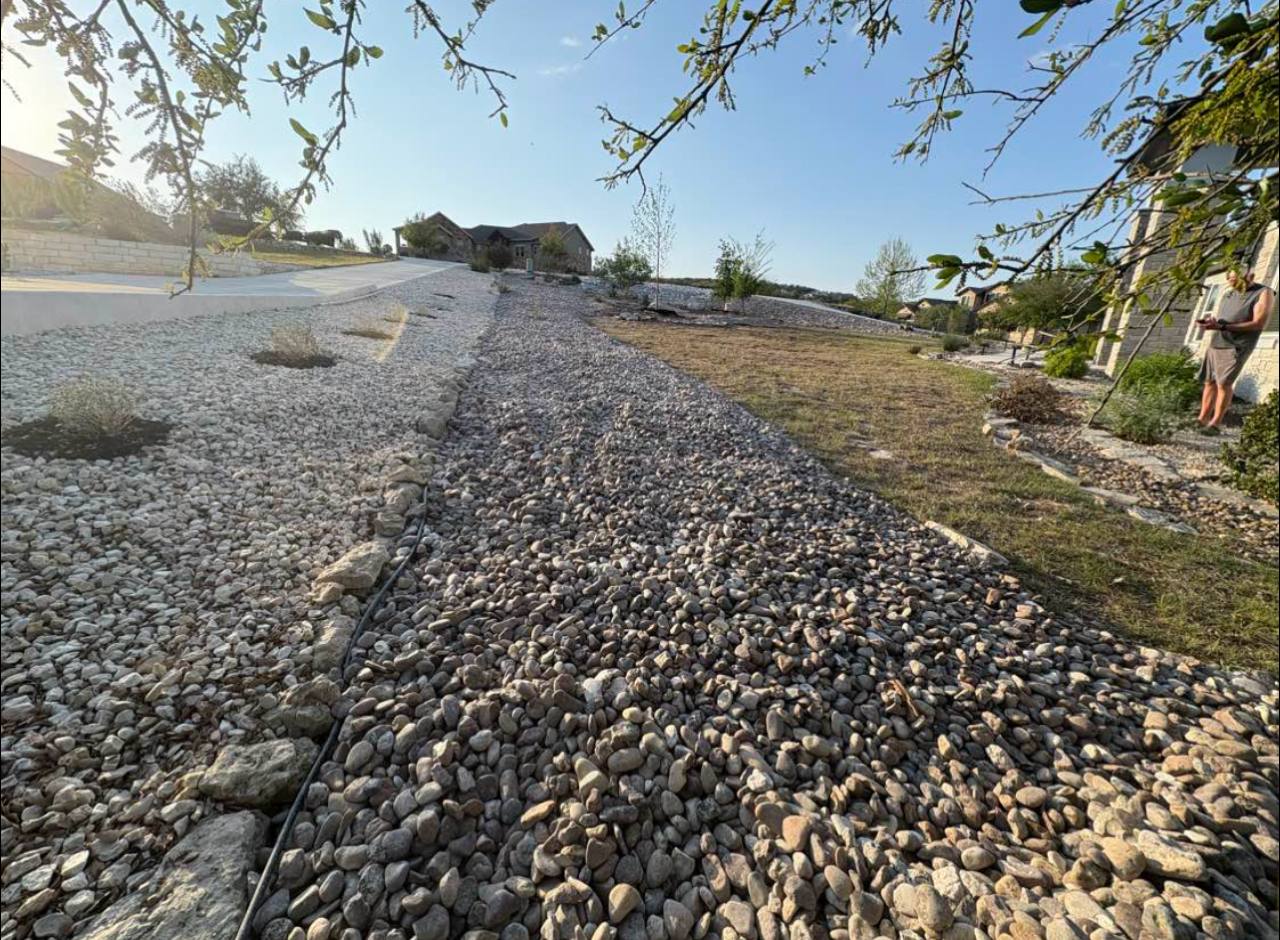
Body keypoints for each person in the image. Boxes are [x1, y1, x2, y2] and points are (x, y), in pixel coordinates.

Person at [1195, 267, 1275, 433]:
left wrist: (1222, 325)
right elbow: (1224, 317)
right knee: (1209, 382)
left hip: (1236, 346)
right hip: (1217, 341)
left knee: (1224, 383)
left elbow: (1258, 323)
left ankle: (1215, 424)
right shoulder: (1228, 294)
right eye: (1230, 280)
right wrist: (1212, 322)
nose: (1231, 284)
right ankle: (1202, 419)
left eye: (1235, 280)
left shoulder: (1263, 292)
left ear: (1249, 276)